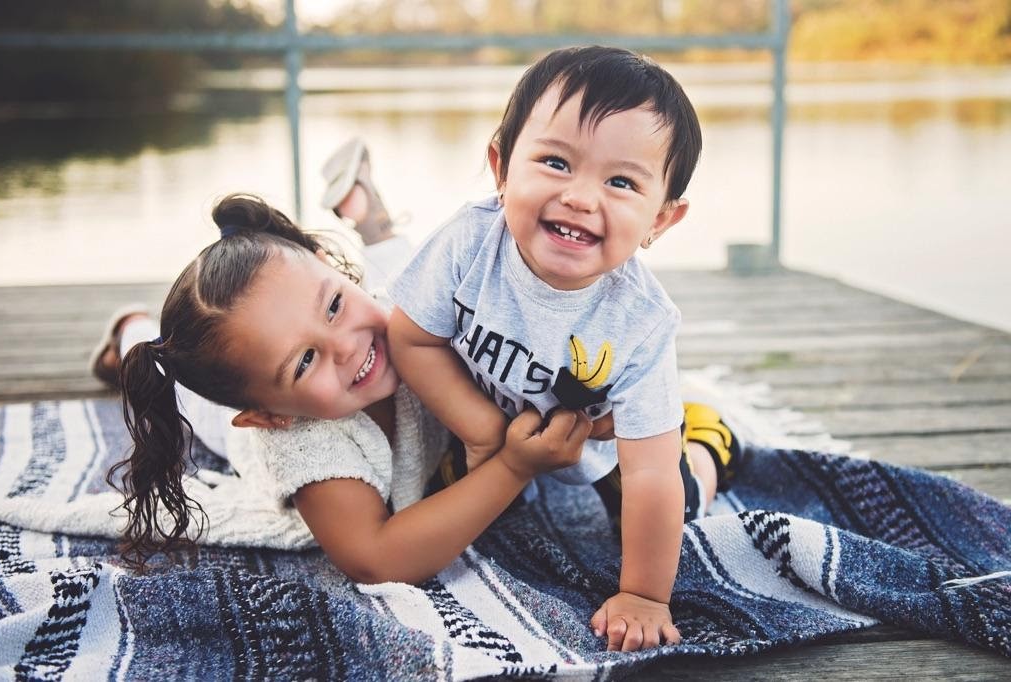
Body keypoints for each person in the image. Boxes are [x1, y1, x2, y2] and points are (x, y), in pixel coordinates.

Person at [386, 46, 741, 652]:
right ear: (501, 169)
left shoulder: (641, 322)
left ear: (661, 219)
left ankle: (706, 438)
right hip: (499, 427)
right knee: (438, 512)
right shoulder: (470, 244)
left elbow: (650, 473)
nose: (581, 197)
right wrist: (481, 430)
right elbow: (411, 335)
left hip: (598, 450)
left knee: (674, 503)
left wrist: (644, 596)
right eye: (555, 161)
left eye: (621, 182)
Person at [95, 188, 593, 587]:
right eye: (306, 361)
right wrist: (513, 466)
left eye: (333, 306)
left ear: (329, 265)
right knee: (192, 396)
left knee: (409, 274)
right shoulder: (301, 442)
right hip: (236, 431)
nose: (347, 346)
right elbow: (375, 560)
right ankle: (131, 332)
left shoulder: (401, 318)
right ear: (270, 414)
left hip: (383, 296)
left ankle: (372, 219)